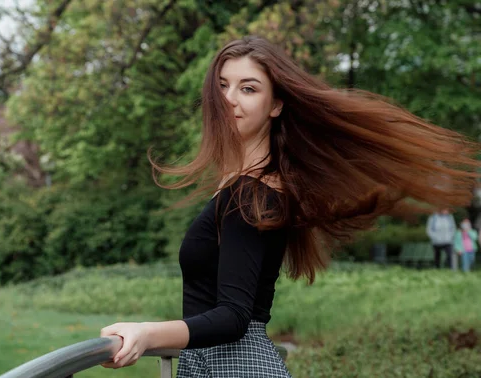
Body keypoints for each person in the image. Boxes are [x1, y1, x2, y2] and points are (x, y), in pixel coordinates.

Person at [99, 36, 480, 377]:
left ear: (276, 105)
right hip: (217, 364)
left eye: (248, 89)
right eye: (223, 86)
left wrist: (146, 333)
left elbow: (233, 317)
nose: (229, 99)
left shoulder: (250, 193)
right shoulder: (244, 185)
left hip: (235, 366)